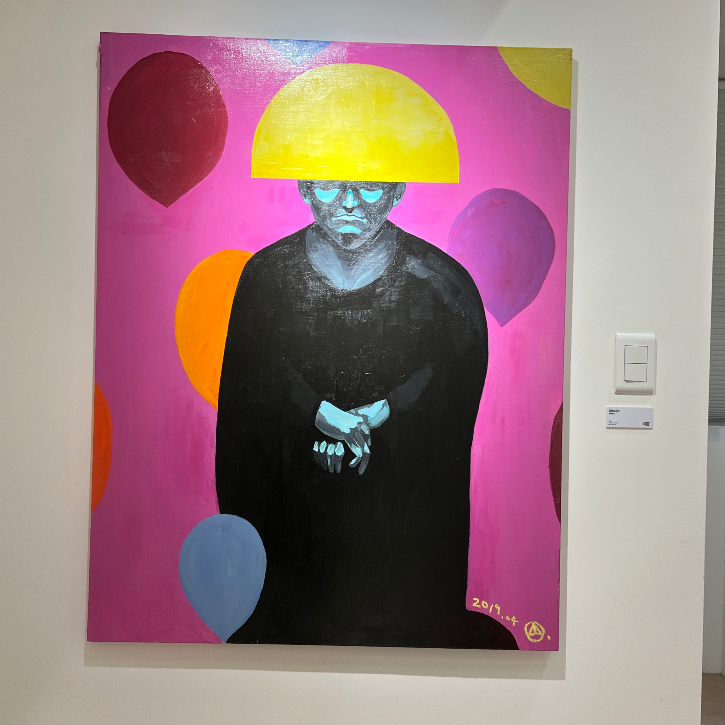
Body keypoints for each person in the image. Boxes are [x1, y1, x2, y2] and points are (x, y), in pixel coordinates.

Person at [216, 63, 518, 648]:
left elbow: (452, 395)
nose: (350, 203)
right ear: (304, 187)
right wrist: (317, 413)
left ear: (399, 189)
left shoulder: (444, 286)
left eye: (370, 185)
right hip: (292, 536)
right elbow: (248, 390)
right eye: (331, 183)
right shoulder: (266, 278)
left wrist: (378, 415)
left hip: (402, 539)